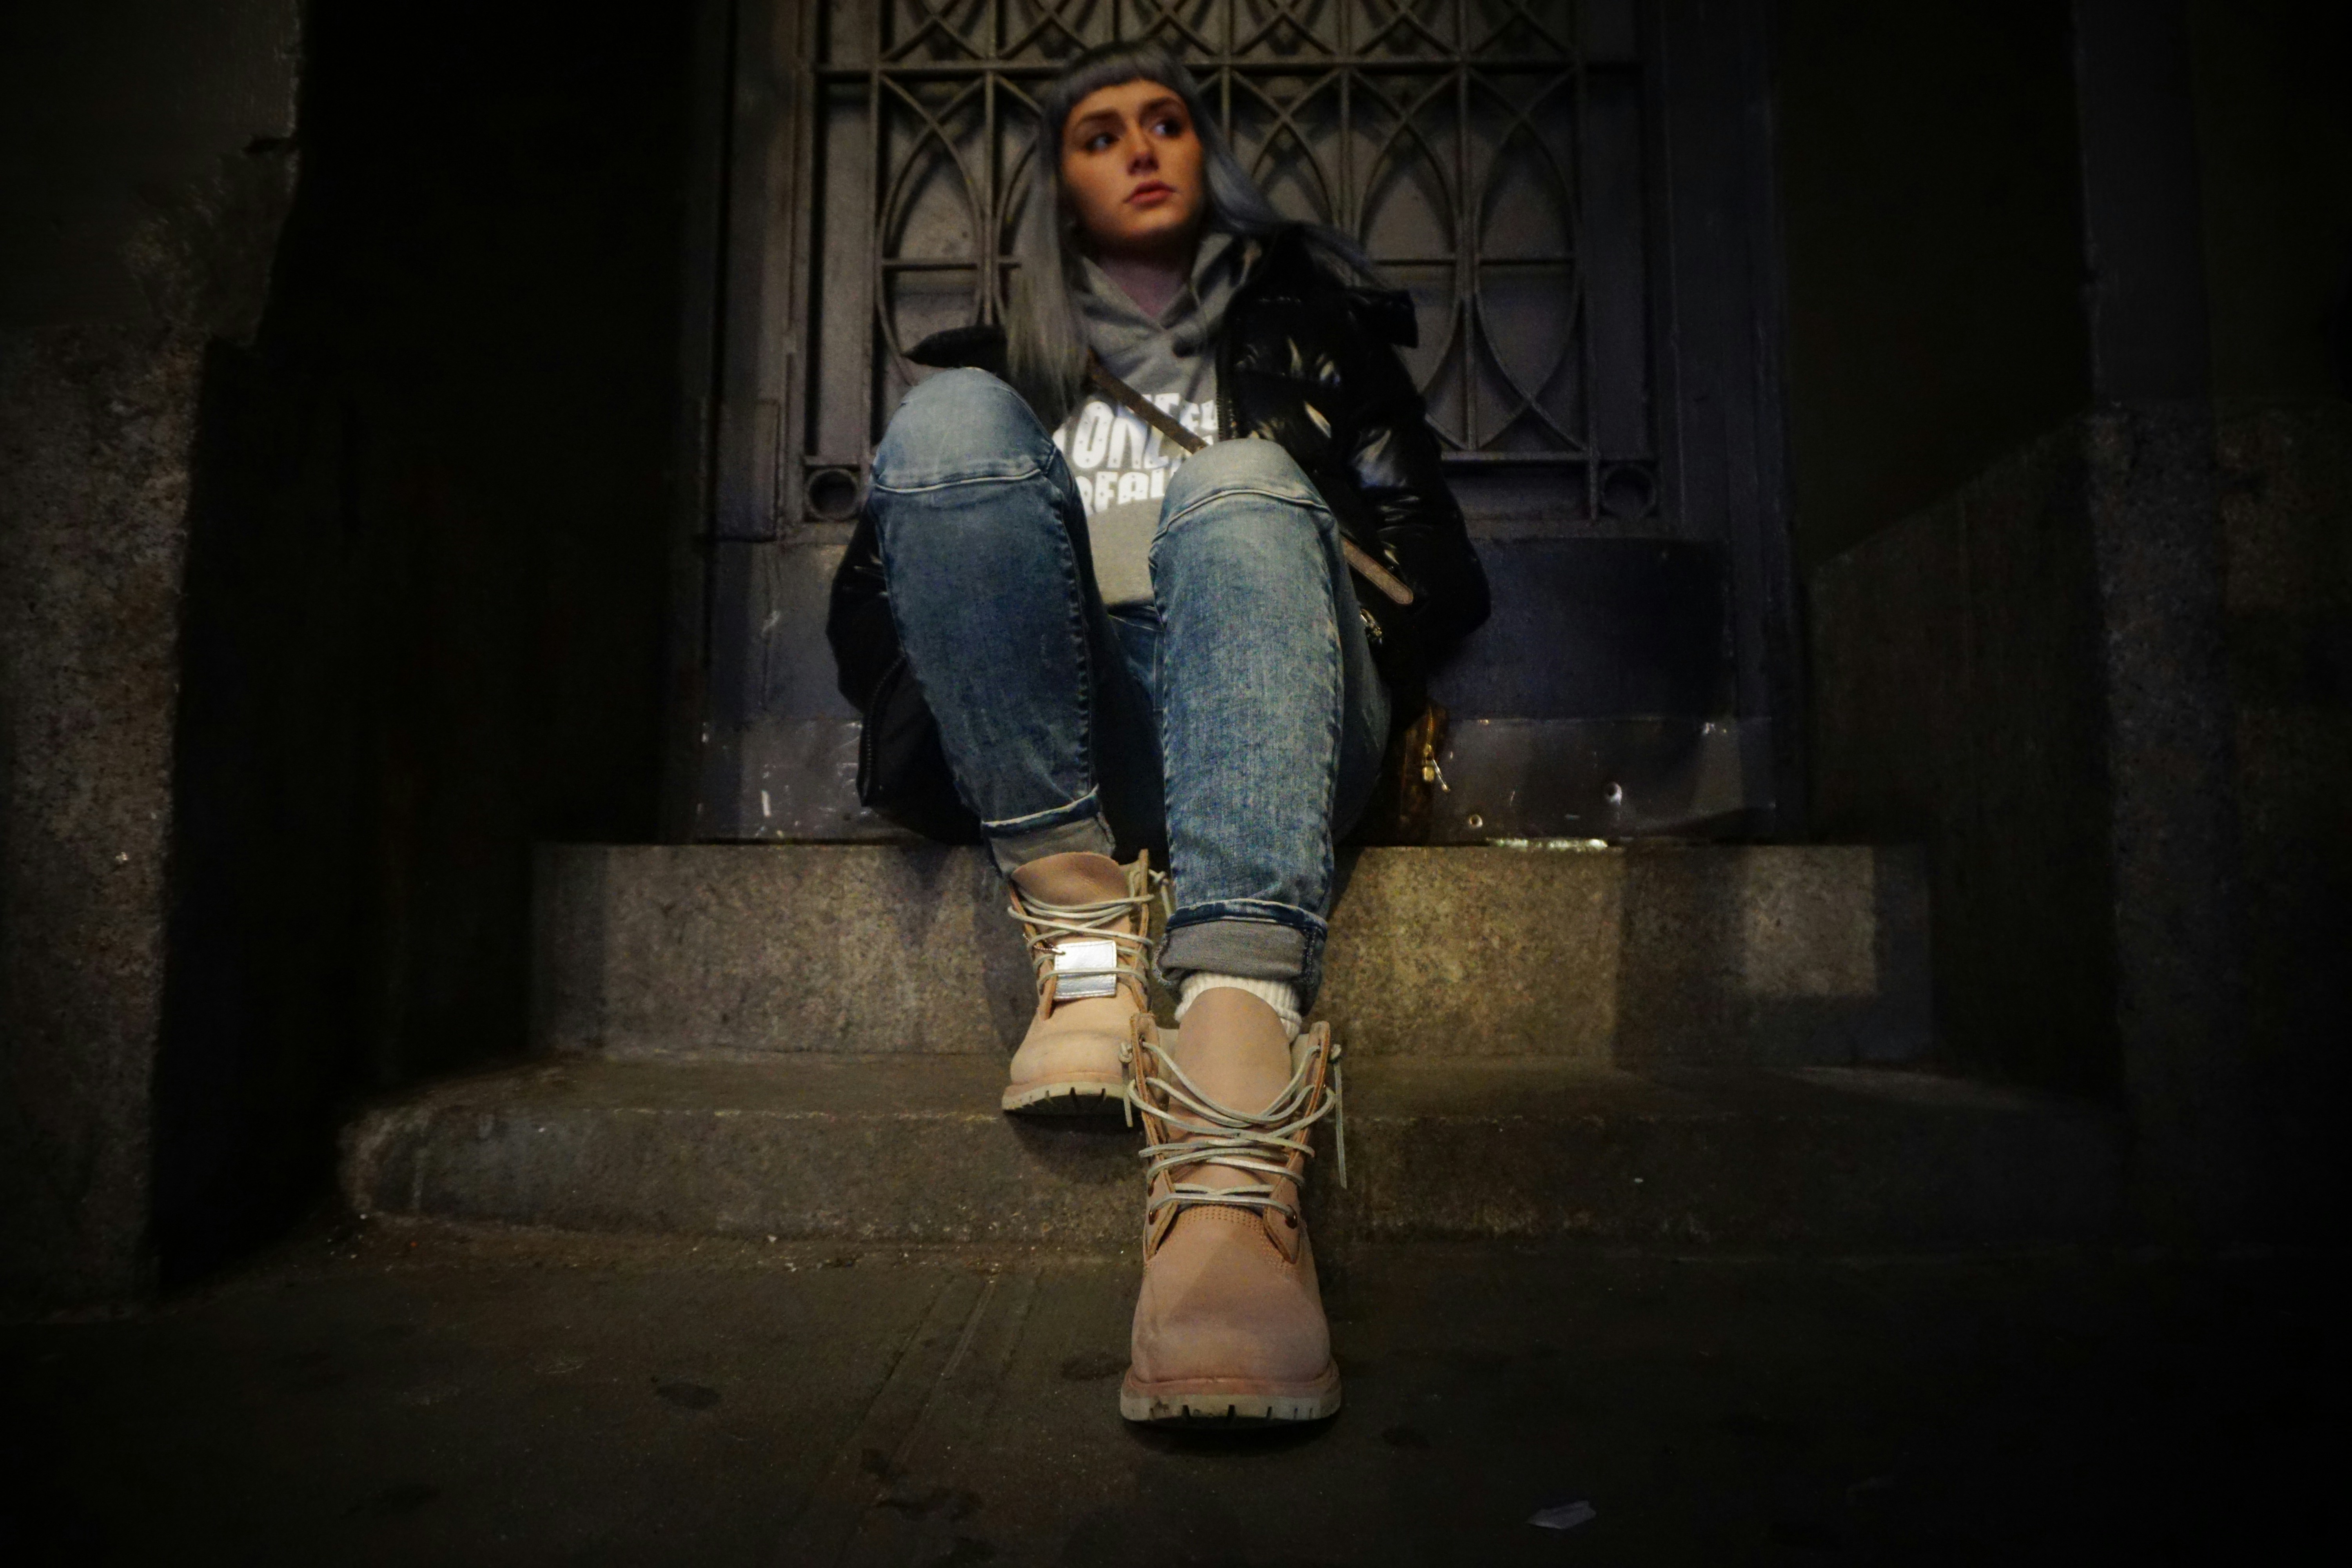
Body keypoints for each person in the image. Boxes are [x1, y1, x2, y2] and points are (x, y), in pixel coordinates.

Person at [827, 40, 1488, 1423]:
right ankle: (1082, 943)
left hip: (1267, 702)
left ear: (1205, 154)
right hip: (1065, 747)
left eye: (1168, 122)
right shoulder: (1005, 370)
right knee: (944, 424)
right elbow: (868, 624)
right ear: (1058, 185)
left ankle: (1238, 1072)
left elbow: (1439, 558)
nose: (1139, 148)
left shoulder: (1318, 337)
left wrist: (1298, 588)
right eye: (1099, 133)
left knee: (1246, 481)